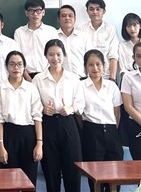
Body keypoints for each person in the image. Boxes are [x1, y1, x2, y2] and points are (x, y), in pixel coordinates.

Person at [32, 39, 83, 192]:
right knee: (51, 170)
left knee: (72, 170)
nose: (55, 58)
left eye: (59, 54)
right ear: (46, 56)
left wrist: (71, 108)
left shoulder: (73, 78)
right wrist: (42, 109)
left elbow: (80, 103)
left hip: (68, 123)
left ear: (64, 56)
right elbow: (33, 104)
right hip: (48, 125)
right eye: (51, 54)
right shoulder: (38, 79)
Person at [0, 51, 43, 188]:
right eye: (12, 64)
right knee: (8, 182)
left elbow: (37, 117)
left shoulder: (31, 88)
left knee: (29, 181)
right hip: (9, 135)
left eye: (19, 64)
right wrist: (0, 144)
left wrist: (39, 144)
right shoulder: (0, 88)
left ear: (24, 67)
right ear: (7, 67)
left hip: (29, 136)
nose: (16, 67)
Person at [79, 50, 123, 192]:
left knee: (114, 172)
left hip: (111, 132)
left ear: (104, 65)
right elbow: (79, 114)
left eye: (98, 64)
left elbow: (117, 112)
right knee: (95, 174)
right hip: (91, 132)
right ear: (85, 66)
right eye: (91, 65)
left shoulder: (112, 86)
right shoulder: (81, 86)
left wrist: (112, 129)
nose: (95, 68)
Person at [14, 0, 59, 81]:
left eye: (38, 11)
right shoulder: (19, 32)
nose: (35, 14)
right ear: (26, 13)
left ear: (43, 12)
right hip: (25, 76)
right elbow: (17, 57)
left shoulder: (51, 31)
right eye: (31, 11)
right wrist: (28, 78)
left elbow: (55, 55)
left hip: (47, 75)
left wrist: (47, 76)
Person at [80, 0, 119, 81]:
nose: (94, 12)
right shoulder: (81, 29)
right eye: (91, 9)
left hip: (106, 77)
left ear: (104, 11)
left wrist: (112, 79)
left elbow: (113, 55)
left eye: (98, 9)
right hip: (86, 78)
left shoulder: (110, 29)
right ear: (87, 11)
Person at [56, 5, 88, 78]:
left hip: (81, 79)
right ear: (58, 19)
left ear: (75, 19)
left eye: (70, 16)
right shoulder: (53, 36)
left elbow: (89, 58)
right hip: (61, 80)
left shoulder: (83, 37)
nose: (67, 18)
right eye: (64, 16)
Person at [118, 13, 141, 77]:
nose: (132, 29)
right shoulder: (122, 46)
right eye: (129, 26)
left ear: (140, 26)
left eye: (134, 25)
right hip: (128, 78)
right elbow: (122, 69)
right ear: (125, 28)